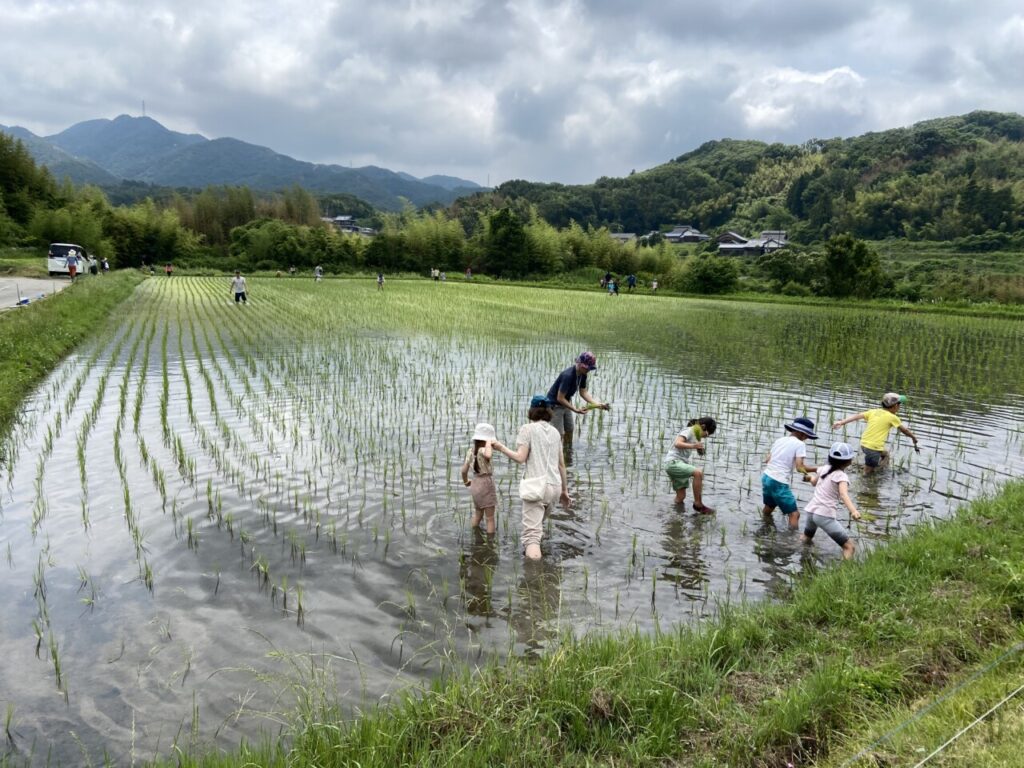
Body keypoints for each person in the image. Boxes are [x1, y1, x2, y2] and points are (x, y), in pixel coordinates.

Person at [492, 396, 571, 560]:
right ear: (549, 411)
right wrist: (564, 491)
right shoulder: (556, 432)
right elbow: (561, 464)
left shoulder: (527, 429)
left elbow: (521, 458)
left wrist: (500, 447)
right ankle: (541, 566)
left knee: (531, 538)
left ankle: (535, 579)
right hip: (555, 487)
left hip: (536, 488)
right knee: (537, 528)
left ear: (532, 411)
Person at [802, 442, 862, 560]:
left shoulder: (823, 469)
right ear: (849, 461)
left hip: (811, 511)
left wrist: (809, 478)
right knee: (849, 547)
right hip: (824, 515)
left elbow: (814, 482)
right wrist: (853, 511)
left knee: (806, 539)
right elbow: (843, 495)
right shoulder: (841, 476)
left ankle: (802, 558)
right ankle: (844, 574)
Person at [832, 393, 919, 473]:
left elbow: (857, 416)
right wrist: (913, 437)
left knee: (886, 455)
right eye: (899, 404)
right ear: (895, 406)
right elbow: (905, 430)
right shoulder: (893, 417)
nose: (900, 407)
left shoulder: (873, 411)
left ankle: (877, 470)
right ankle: (868, 478)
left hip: (864, 444)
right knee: (867, 473)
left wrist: (841, 422)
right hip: (873, 448)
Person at [546, 351, 610, 453]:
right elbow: (560, 398)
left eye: (590, 368)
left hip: (566, 402)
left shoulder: (583, 374)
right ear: (580, 364)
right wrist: (575, 410)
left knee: (570, 429)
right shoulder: (568, 375)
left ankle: (567, 453)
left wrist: (597, 405)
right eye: (587, 368)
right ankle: (555, 455)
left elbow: (583, 392)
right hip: (555, 405)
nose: (588, 370)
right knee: (558, 434)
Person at [762, 417, 818, 528]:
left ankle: (764, 525)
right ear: (802, 433)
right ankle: (791, 542)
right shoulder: (800, 445)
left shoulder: (780, 440)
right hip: (779, 482)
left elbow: (767, 459)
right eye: (807, 435)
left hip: (766, 477)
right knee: (794, 514)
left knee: (769, 506)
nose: (807, 438)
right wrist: (818, 469)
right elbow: (799, 467)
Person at [663, 416, 717, 513]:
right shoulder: (689, 430)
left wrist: (699, 450)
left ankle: (674, 515)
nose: (705, 437)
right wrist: (694, 446)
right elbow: (677, 443)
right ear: (703, 427)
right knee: (698, 473)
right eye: (707, 434)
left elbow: (689, 447)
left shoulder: (695, 435)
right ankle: (698, 504)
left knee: (681, 497)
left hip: (678, 464)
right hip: (673, 462)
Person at [461, 423, 498, 535]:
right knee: (490, 518)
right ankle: (490, 543)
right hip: (486, 483)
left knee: (478, 514)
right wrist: (488, 442)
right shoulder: (483, 450)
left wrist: (466, 482)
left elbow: (463, 471)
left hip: (475, 483)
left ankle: (474, 533)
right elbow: (488, 455)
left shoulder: (470, 451)